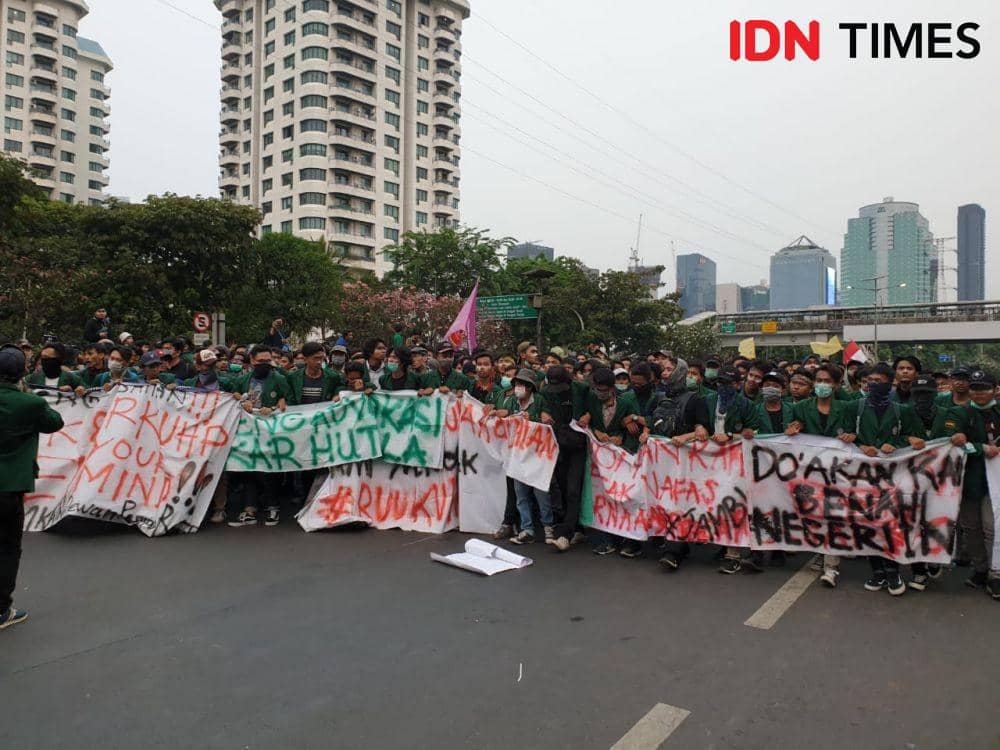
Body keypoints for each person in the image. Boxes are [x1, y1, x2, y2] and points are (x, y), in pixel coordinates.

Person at [838, 362, 925, 595]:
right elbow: (842, 436)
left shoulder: (902, 410)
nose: (873, 385)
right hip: (862, 477)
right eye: (869, 382)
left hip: (892, 478)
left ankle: (892, 570)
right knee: (867, 522)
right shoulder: (852, 407)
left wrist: (897, 443)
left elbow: (916, 437)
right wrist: (858, 443)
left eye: (878, 381)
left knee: (890, 523)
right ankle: (877, 571)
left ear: (890, 383)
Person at [0, 344, 65, 630]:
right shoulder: (31, 404)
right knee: (7, 548)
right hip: (9, 488)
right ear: (22, 373)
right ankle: (2, 610)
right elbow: (55, 423)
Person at [937, 369, 1000, 599]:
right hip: (968, 480)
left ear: (995, 390)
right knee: (971, 528)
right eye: (975, 388)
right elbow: (950, 439)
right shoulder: (959, 412)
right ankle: (980, 568)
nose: (979, 393)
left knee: (992, 527)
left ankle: (996, 572)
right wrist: (978, 446)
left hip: (996, 483)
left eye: (984, 388)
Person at [649, 358, 712, 571]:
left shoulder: (695, 400)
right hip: (661, 461)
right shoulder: (658, 397)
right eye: (663, 369)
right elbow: (649, 422)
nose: (665, 373)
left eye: (670, 369)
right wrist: (645, 433)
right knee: (662, 500)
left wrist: (688, 436)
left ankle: (672, 550)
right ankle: (677, 543)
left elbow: (704, 431)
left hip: (686, 463)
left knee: (678, 502)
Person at [577, 367, 644, 557]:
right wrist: (595, 430)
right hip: (599, 460)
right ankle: (608, 538)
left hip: (622, 458)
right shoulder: (590, 399)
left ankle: (631, 539)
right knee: (604, 499)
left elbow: (635, 431)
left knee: (625, 497)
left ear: (612, 388)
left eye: (603, 390)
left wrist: (621, 438)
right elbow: (585, 421)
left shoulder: (627, 403)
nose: (600, 393)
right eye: (597, 389)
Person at [225, 346, 290, 527]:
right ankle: (249, 509)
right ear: (252, 361)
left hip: (271, 431)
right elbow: (234, 392)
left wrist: (277, 405)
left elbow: (287, 400)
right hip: (248, 431)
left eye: (268, 361)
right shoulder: (244, 378)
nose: (265, 365)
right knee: (249, 469)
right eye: (261, 361)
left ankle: (272, 507)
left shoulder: (279, 378)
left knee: (270, 469)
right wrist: (242, 399)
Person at [497, 369, 554, 545]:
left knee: (540, 492)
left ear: (529, 388)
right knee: (520, 493)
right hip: (518, 455)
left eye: (521, 385)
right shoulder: (513, 402)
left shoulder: (540, 402)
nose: (517, 388)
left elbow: (548, 423)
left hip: (537, 456)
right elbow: (505, 418)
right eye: (516, 384)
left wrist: (535, 418)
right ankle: (527, 528)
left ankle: (547, 527)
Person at [542, 365, 588, 552]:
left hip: (578, 444)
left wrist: (588, 414)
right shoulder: (546, 392)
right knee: (561, 486)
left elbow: (593, 407)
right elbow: (542, 406)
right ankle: (577, 528)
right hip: (558, 444)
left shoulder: (582, 389)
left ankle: (565, 534)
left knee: (573, 489)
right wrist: (542, 413)